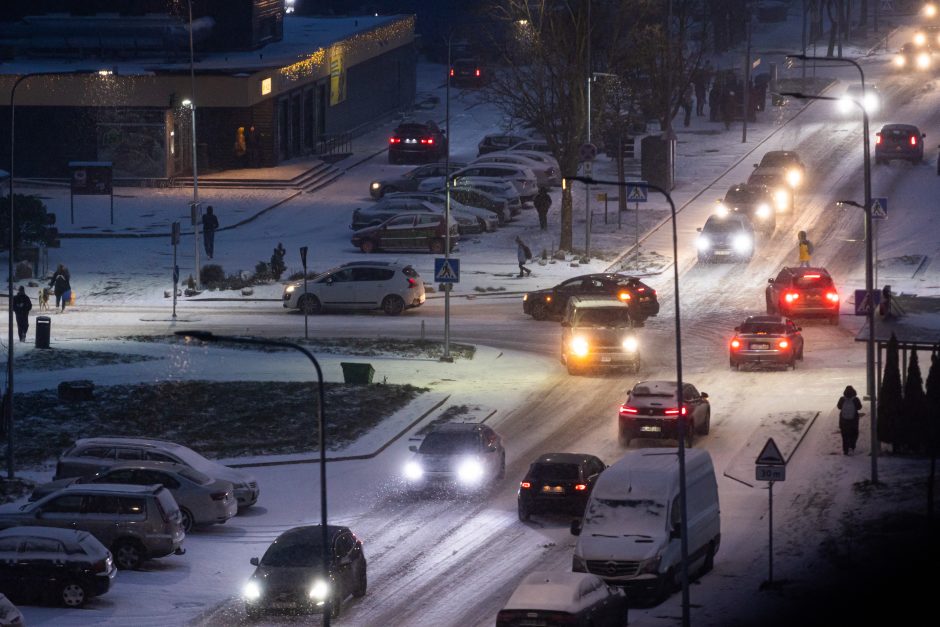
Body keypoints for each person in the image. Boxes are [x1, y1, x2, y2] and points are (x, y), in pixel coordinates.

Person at [837, 385, 863, 455]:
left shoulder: (842, 399)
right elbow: (859, 407)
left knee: (844, 435)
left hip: (843, 421)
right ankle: (852, 446)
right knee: (854, 433)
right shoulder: (855, 399)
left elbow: (839, 407)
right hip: (853, 420)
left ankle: (845, 449)